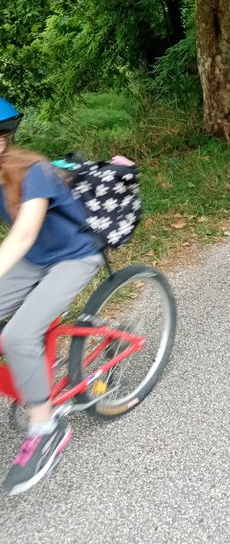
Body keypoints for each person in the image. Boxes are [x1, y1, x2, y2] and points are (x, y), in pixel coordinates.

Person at [0, 97, 103, 496]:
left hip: (73, 257)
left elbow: (23, 234)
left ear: (4, 139)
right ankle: (35, 376)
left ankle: (47, 428)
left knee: (18, 336)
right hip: (34, 259)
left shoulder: (35, 172)